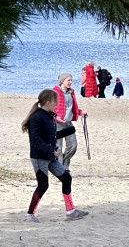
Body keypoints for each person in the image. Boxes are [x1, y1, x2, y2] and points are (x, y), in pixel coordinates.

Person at [22, 89, 89, 222]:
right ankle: (30, 214)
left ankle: (70, 211)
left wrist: (70, 130)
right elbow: (35, 140)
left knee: (66, 178)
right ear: (48, 103)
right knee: (43, 185)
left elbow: (51, 137)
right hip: (39, 156)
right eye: (55, 102)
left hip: (49, 155)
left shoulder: (48, 116)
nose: (56, 105)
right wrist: (50, 150)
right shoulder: (37, 117)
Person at [53, 72, 86, 171]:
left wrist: (80, 112)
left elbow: (70, 107)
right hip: (57, 123)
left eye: (71, 80)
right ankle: (61, 169)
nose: (70, 82)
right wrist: (55, 117)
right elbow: (48, 107)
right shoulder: (55, 92)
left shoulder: (70, 92)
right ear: (62, 81)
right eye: (69, 80)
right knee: (58, 147)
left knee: (73, 145)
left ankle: (65, 162)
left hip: (68, 122)